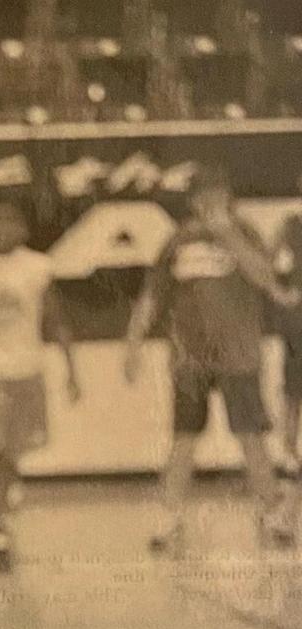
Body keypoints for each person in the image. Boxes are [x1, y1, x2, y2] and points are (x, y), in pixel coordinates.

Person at [124, 163, 300, 551]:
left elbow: (265, 278)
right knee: (183, 439)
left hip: (238, 356)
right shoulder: (178, 241)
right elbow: (153, 294)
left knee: (251, 437)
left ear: (229, 197)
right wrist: (133, 341)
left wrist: (227, 234)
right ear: (193, 201)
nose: (211, 202)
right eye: (203, 195)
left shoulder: (245, 233)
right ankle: (168, 518)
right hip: (191, 359)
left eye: (218, 194)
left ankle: (271, 512)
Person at [0, 185, 81, 572]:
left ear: (23, 227)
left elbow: (55, 320)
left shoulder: (38, 267)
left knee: (11, 451)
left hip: (26, 368)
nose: (4, 229)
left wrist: (72, 369)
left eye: (12, 221)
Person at [272, 212, 302, 476]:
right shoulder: (292, 225)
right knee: (293, 391)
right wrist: (283, 292)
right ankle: (289, 453)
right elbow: (268, 262)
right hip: (297, 324)